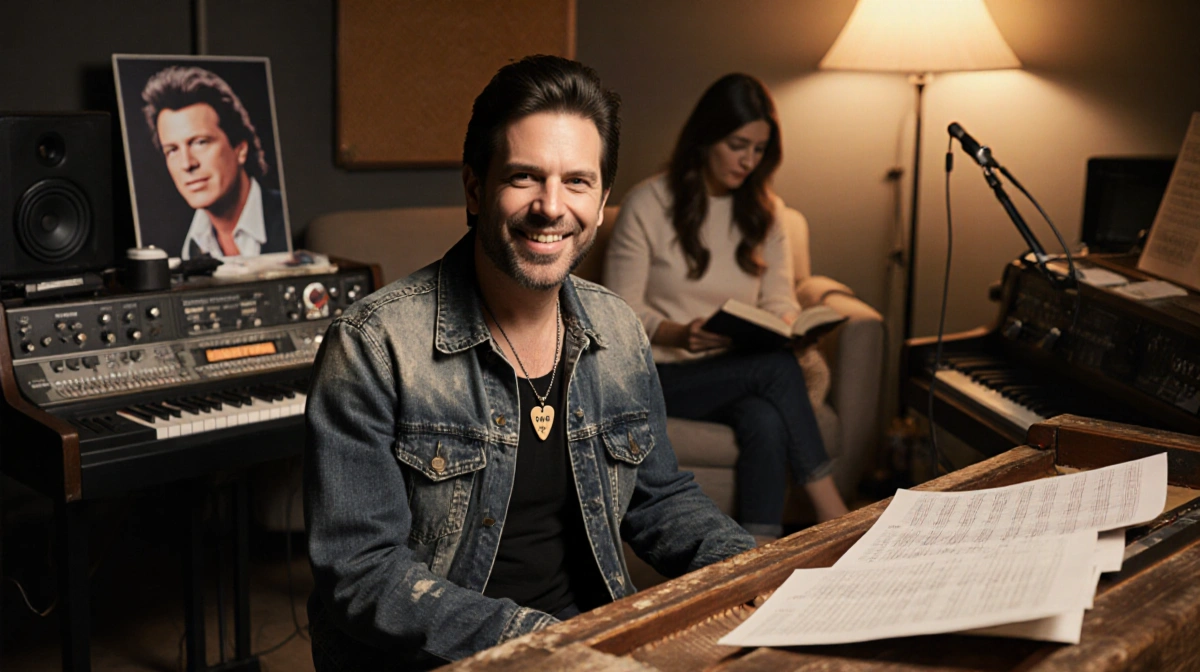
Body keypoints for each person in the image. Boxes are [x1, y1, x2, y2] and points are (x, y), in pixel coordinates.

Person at [303, 55, 755, 671]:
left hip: (594, 642)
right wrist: (540, 640)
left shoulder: (618, 330)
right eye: (524, 177)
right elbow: (362, 573)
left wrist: (758, 571)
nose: (551, 207)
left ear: (600, 203)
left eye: (577, 181)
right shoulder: (372, 344)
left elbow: (659, 498)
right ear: (474, 188)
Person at [602, 73, 850, 540]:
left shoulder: (767, 210)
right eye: (739, 145)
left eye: (759, 149)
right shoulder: (648, 204)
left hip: (735, 370)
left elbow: (779, 298)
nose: (749, 161)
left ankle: (756, 556)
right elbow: (619, 312)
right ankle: (833, 513)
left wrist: (790, 324)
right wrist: (680, 333)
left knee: (765, 416)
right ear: (706, 137)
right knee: (775, 370)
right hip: (659, 375)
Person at [141, 65, 289, 260]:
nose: (187, 164)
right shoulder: (172, 247)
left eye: (200, 142)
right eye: (172, 150)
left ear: (240, 149)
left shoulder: (287, 218)